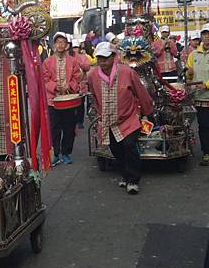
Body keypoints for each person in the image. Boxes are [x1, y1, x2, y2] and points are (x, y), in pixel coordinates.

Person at [88, 42, 154, 194]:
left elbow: (141, 92)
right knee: (115, 148)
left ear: (113, 57)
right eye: (99, 58)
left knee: (129, 146)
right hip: (107, 120)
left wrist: (147, 112)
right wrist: (100, 114)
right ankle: (125, 174)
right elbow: (94, 97)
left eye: (105, 58)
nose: (102, 61)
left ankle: (133, 179)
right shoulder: (92, 75)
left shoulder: (127, 72)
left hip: (128, 118)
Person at [42, 32, 83, 166]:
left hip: (69, 99)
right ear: (54, 45)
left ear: (66, 45)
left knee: (69, 127)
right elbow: (44, 79)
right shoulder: (47, 62)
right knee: (54, 128)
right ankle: (55, 154)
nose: (60, 45)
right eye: (57, 42)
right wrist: (55, 87)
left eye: (62, 42)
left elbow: (77, 77)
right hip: (53, 100)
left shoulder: (73, 61)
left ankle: (66, 153)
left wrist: (69, 86)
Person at [186, 23, 209, 166]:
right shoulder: (193, 54)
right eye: (205, 35)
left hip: (205, 91)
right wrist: (189, 76)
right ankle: (206, 152)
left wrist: (206, 84)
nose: (207, 38)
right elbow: (189, 77)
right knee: (204, 126)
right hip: (200, 98)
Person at [71, 38, 93, 129]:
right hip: (72, 85)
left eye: (76, 47)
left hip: (82, 84)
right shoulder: (68, 57)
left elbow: (87, 67)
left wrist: (79, 63)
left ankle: (80, 121)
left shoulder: (82, 57)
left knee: (80, 104)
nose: (75, 49)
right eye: (73, 47)